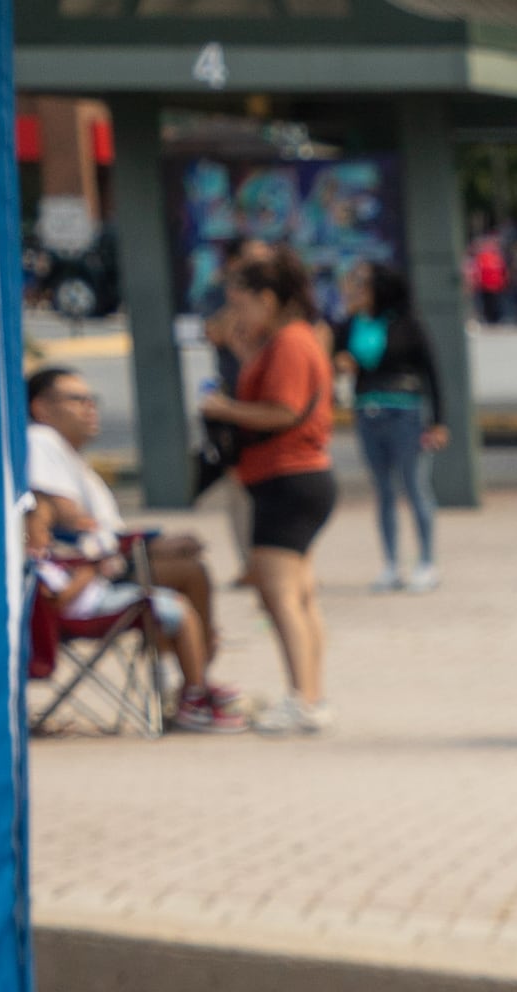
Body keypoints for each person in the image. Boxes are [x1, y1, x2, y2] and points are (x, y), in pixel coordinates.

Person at [25, 361, 237, 728]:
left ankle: (196, 679)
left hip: (99, 564)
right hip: (82, 574)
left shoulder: (71, 457)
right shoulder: (40, 441)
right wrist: (136, 546)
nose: (89, 408)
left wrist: (152, 544)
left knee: (187, 561)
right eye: (77, 400)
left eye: (93, 400)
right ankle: (195, 686)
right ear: (41, 408)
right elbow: (67, 519)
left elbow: (98, 529)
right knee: (188, 572)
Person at [198, 242, 338, 731]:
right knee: (298, 594)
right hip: (292, 477)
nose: (236, 314)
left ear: (269, 299)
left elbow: (285, 410)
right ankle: (310, 695)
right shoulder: (284, 343)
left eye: (241, 304)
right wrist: (243, 353)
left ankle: (302, 699)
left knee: (280, 596)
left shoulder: (292, 343)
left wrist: (224, 410)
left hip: (289, 477)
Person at [342, 261, 445, 593]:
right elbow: (333, 351)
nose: (359, 291)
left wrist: (439, 421)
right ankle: (390, 563)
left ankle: (426, 561)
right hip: (366, 411)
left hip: (405, 411)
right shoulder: (353, 324)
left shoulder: (406, 324)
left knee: (414, 486)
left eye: (364, 285)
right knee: (382, 490)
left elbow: (432, 372)